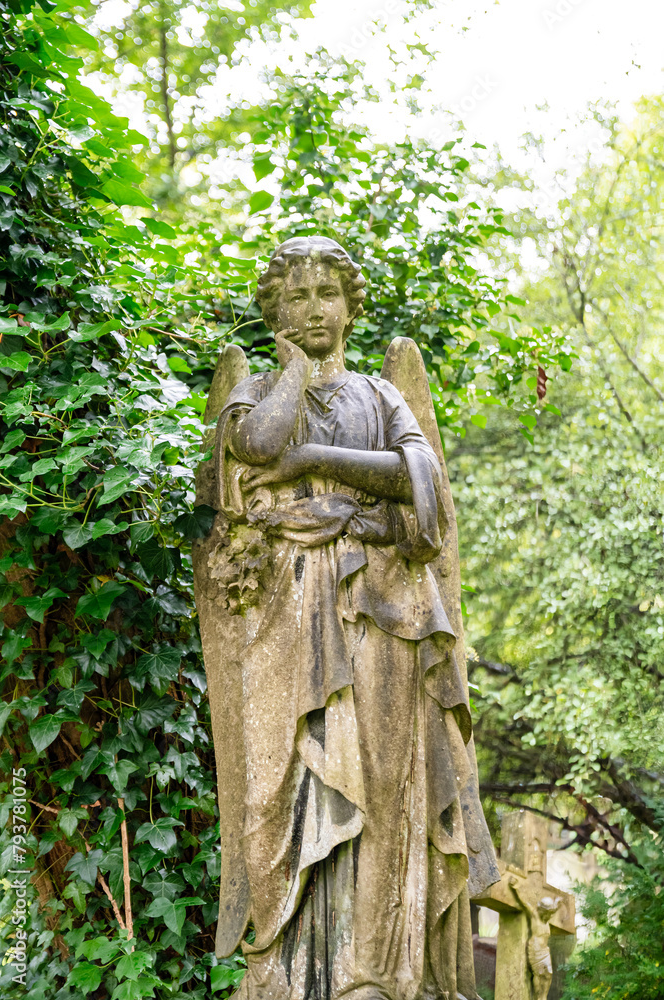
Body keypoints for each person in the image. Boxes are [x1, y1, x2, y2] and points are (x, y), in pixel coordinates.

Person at [211, 235, 498, 1000]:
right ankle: (286, 966)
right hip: (286, 609)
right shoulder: (259, 391)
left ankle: (373, 970)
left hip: (380, 609)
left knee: (378, 779)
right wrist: (294, 375)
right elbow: (256, 443)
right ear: (274, 309)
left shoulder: (380, 394)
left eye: (326, 295)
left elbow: (420, 477)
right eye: (295, 297)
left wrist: (315, 464)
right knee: (286, 778)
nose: (312, 310)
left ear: (349, 305)